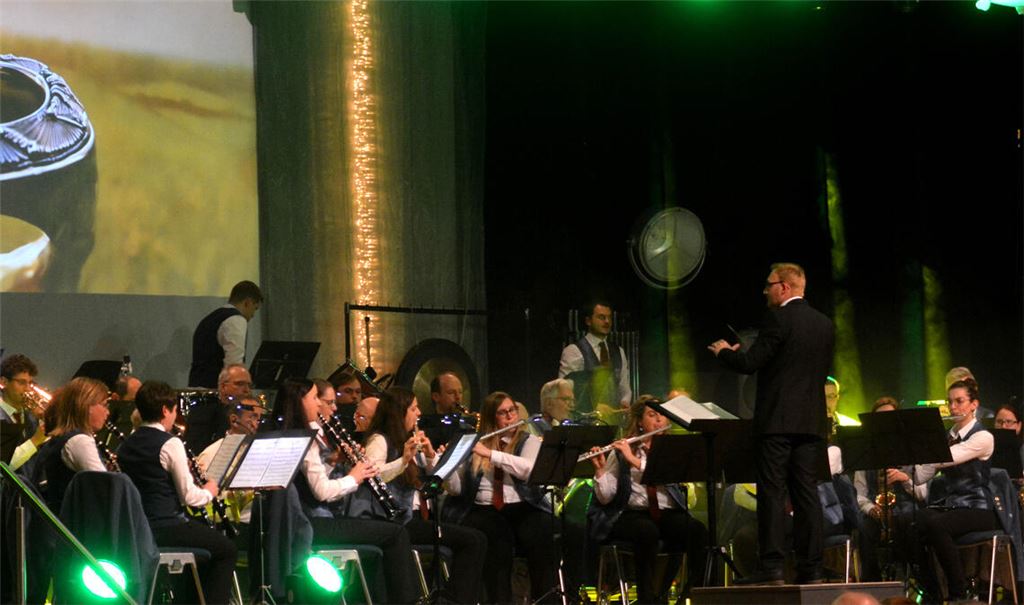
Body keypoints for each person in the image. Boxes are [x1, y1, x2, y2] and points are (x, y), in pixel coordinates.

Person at [708, 262, 835, 585]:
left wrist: (725, 352)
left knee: (772, 493)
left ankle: (772, 567)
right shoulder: (823, 323)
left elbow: (750, 364)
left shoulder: (777, 318)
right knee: (807, 494)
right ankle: (811, 568)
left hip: (777, 422)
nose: (765, 291)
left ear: (784, 287)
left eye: (769, 285)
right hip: (810, 422)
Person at [272, 377, 419, 604]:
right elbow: (321, 492)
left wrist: (334, 462)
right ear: (300, 402)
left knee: (389, 534)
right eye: (314, 399)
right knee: (396, 534)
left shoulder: (290, 433)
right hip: (314, 524)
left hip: (311, 520)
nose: (321, 406)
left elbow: (311, 481)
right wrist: (355, 477)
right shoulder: (305, 439)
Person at [353, 386, 487, 603]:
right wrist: (403, 460)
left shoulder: (412, 440)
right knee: (471, 540)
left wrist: (433, 457)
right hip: (397, 522)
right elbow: (372, 478)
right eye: (414, 408)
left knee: (477, 538)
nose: (419, 414)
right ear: (400, 412)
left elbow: (454, 488)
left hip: (421, 519)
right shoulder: (379, 440)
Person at [116, 381, 237, 605]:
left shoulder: (125, 444)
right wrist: (210, 491)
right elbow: (189, 498)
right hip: (166, 525)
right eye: (174, 411)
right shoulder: (170, 443)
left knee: (204, 545)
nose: (175, 416)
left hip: (140, 528)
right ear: (165, 410)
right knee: (227, 549)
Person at [587, 400, 708, 602]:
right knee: (646, 532)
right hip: (632, 513)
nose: (659, 419)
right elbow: (606, 497)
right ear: (640, 422)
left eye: (662, 414)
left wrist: (634, 460)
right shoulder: (622, 450)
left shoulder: (671, 449)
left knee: (697, 531)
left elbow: (664, 473)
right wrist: (600, 470)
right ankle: (647, 598)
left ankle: (693, 592)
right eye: (652, 414)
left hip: (666, 512)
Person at [443, 391, 556, 603]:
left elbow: (529, 470)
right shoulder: (475, 442)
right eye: (502, 413)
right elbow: (457, 489)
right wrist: (446, 466)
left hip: (521, 504)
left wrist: (490, 455)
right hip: (482, 507)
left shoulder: (529, 440)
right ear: (491, 418)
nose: (510, 417)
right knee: (498, 540)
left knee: (542, 531)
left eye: (512, 410)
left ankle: (546, 600)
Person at [909, 378, 1000, 601]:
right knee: (910, 522)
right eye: (950, 402)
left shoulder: (983, 436)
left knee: (936, 524)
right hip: (954, 507)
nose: (953, 408)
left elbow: (949, 458)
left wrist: (929, 445)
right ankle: (933, 590)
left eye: (959, 401)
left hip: (979, 509)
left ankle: (958, 594)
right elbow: (920, 476)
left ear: (974, 405)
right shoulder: (948, 437)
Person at [852, 396, 915, 581]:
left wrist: (904, 479)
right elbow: (859, 494)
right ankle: (873, 583)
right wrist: (870, 508)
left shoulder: (911, 448)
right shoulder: (865, 450)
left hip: (905, 508)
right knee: (863, 528)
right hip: (877, 510)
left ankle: (907, 578)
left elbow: (923, 492)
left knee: (908, 523)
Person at [33, 378, 113, 513]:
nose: (108, 412)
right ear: (86, 406)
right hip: (73, 526)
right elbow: (105, 488)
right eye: (104, 405)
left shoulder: (60, 438)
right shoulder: (79, 441)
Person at [188, 280, 262, 388]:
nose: (253, 315)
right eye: (254, 309)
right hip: (215, 395)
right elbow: (234, 365)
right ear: (247, 303)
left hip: (197, 389)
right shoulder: (236, 320)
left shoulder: (210, 318)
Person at [559, 301, 632, 408]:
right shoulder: (573, 351)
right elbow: (564, 390)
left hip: (614, 419)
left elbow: (624, 387)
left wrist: (624, 403)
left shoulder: (619, 351)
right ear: (588, 321)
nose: (607, 321)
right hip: (585, 420)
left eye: (609, 318)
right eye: (601, 317)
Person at [183, 364, 253, 454]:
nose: (247, 390)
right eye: (240, 384)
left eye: (249, 385)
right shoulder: (203, 414)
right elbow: (196, 451)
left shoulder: (253, 415)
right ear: (223, 387)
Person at [1, 354, 44, 465]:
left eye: (30, 383)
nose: (28, 389)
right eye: (22, 382)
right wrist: (36, 440)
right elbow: (4, 464)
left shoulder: (30, 416)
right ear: (4, 382)